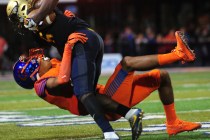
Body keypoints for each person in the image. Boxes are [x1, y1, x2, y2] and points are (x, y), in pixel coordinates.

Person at [13, 31, 201, 137]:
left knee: (162, 77)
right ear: (34, 73)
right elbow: (63, 79)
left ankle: (173, 123)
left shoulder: (49, 66)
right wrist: (69, 48)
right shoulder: (42, 86)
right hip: (107, 104)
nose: (41, 58)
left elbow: (43, 47)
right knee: (127, 63)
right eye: (37, 61)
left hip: (109, 95)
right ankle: (178, 54)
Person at [6, 1, 143, 140]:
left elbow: (50, 5)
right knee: (89, 93)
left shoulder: (40, 9)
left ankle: (109, 134)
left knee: (83, 92)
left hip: (81, 41)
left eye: (16, 18)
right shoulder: (35, 32)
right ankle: (130, 114)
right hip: (87, 41)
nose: (17, 23)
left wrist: (37, 17)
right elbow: (45, 46)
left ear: (22, 9)